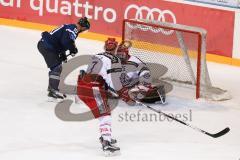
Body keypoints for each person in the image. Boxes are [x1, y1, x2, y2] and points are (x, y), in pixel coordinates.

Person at [76, 38, 122, 156]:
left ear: (104, 47)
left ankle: (105, 136)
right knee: (105, 114)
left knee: (105, 112)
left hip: (81, 87)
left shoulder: (97, 55)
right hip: (93, 88)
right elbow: (111, 79)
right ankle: (106, 143)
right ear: (116, 48)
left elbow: (89, 73)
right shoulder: (114, 59)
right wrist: (118, 91)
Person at [37, 17, 90, 100]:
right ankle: (53, 91)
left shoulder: (70, 27)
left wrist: (63, 54)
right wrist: (73, 49)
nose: (84, 31)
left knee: (57, 66)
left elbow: (61, 41)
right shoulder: (74, 29)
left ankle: (53, 88)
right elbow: (66, 41)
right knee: (57, 67)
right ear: (83, 27)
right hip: (47, 46)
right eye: (85, 29)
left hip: (47, 45)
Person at [116, 40, 166, 104]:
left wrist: (143, 86)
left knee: (134, 95)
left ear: (126, 53)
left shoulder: (134, 61)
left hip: (136, 83)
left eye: (121, 55)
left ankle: (156, 92)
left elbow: (145, 73)